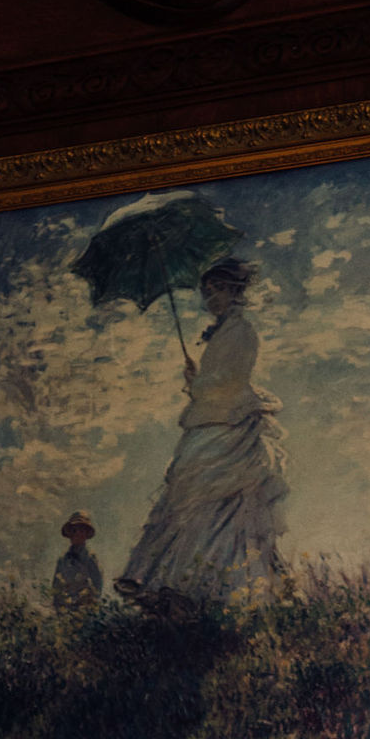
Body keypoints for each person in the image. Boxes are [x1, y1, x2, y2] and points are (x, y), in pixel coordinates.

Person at [117, 257, 289, 614]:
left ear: (234, 290)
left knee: (221, 505)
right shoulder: (224, 332)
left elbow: (230, 382)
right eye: (207, 292)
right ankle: (170, 582)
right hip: (210, 422)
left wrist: (198, 384)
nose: (210, 298)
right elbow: (216, 382)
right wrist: (197, 381)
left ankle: (203, 588)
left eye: (217, 290)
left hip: (228, 427)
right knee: (188, 500)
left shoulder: (242, 332)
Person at [52, 510, 104, 618]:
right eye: (74, 531)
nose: (78, 534)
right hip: (65, 610)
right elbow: (56, 586)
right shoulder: (63, 559)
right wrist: (58, 608)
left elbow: (97, 584)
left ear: (86, 535)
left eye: (82, 531)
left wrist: (90, 607)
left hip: (84, 610)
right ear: (70, 534)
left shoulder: (90, 557)